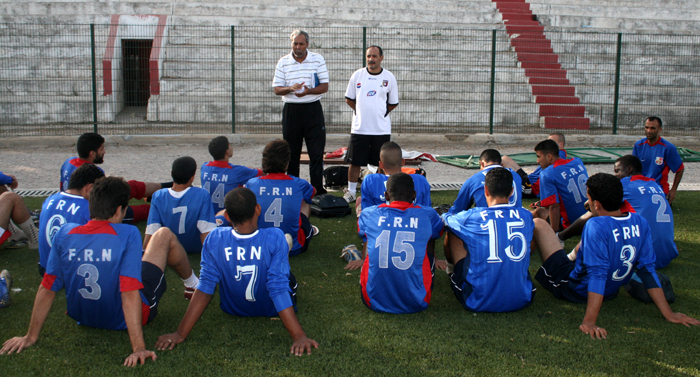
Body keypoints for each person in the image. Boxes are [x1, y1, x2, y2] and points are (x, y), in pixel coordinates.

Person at [0, 177, 200, 366]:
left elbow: (47, 287)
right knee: (164, 235)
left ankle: (189, 283)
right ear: (119, 210)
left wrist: (30, 336)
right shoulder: (128, 233)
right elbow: (129, 293)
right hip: (125, 317)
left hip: (83, 316)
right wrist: (138, 347)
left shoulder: (65, 233)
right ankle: (193, 284)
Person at [532, 173, 700, 339]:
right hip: (610, 291)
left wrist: (589, 321)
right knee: (590, 244)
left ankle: (518, 277)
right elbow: (647, 270)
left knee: (538, 224)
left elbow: (597, 275)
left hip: (575, 289)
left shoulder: (595, 224)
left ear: (596, 204)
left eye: (588, 198)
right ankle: (570, 257)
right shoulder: (639, 221)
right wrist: (668, 313)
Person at [154, 187, 318, 356]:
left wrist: (180, 333)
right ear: (258, 209)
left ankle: (280, 251)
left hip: (233, 308)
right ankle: (284, 247)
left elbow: (205, 288)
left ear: (227, 216)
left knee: (224, 272)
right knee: (284, 276)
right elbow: (278, 288)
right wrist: (298, 335)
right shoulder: (274, 236)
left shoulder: (214, 238)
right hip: (271, 308)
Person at [345, 173, 442, 314]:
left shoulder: (370, 213)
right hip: (418, 302)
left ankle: (361, 257)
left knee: (369, 234)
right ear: (414, 195)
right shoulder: (428, 214)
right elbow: (437, 232)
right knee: (429, 237)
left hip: (372, 300)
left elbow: (363, 233)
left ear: (386, 195)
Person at [443, 167, 535, 312]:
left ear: (486, 190)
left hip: (478, 301)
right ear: (512, 191)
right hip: (522, 299)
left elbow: (447, 219)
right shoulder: (525, 215)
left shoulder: (471, 216)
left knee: (454, 231)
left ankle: (452, 270)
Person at [59, 132, 171, 223]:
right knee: (145, 210)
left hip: (82, 204)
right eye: (102, 148)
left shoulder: (69, 162)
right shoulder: (94, 173)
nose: (104, 151)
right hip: (98, 212)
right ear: (92, 153)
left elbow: (61, 187)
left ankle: (164, 188)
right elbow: (107, 200)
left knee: (130, 186)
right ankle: (169, 193)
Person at [272, 30, 329, 195]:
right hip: (291, 111)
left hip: (313, 109)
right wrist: (290, 88)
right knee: (292, 154)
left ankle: (317, 191)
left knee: (316, 154)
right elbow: (277, 89)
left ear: (307, 44)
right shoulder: (283, 62)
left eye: (301, 44)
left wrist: (308, 91)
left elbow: (324, 86)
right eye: (295, 43)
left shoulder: (317, 59)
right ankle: (293, 190)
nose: (298, 47)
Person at [343, 45, 399, 204]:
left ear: (381, 58)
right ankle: (352, 192)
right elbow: (349, 99)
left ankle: (380, 192)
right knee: (354, 162)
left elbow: (393, 103)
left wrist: (380, 113)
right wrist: (361, 112)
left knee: (381, 163)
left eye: (374, 56)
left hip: (381, 129)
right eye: (368, 56)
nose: (371, 59)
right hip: (360, 128)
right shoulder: (357, 75)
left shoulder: (389, 77)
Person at [246, 140, 317, 257]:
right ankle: (304, 228)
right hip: (294, 246)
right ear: (286, 163)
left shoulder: (252, 183)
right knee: (305, 199)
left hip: (260, 246)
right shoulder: (299, 184)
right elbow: (313, 191)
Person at [38, 164, 105, 276]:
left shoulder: (49, 199)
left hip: (45, 269)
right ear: (89, 188)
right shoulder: (88, 208)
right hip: (72, 274)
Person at [145, 156, 217, 254]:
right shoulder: (202, 194)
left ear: (171, 174)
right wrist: (212, 255)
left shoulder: (158, 196)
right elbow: (206, 229)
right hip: (195, 248)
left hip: (169, 248)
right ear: (192, 177)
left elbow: (152, 229)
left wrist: (144, 251)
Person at [358, 141, 431, 216]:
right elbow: (427, 212)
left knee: (359, 201)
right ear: (403, 162)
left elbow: (367, 214)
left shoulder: (370, 180)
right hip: (415, 224)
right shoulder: (421, 180)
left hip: (381, 225)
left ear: (381, 164)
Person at [535, 139, 588, 232]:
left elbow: (554, 206)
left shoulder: (547, 173)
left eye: (539, 157)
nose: (537, 161)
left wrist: (554, 232)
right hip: (589, 216)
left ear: (549, 156)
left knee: (540, 211)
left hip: (572, 224)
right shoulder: (577, 161)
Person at [449, 149, 522, 215]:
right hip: (516, 220)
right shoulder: (516, 176)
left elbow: (457, 210)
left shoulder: (474, 179)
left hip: (486, 222)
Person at [201, 136, 262, 213]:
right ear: (226, 152)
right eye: (230, 145)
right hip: (228, 216)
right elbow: (260, 172)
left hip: (208, 213)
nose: (232, 147)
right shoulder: (236, 171)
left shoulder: (204, 167)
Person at [632, 116, 684, 204]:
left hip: (659, 188)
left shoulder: (668, 148)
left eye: (652, 128)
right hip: (641, 187)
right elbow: (632, 168)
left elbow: (680, 169)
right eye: (647, 127)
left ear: (660, 129)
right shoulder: (638, 145)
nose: (649, 131)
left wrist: (673, 190)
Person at [502, 132, 566, 198]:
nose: (537, 161)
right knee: (504, 159)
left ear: (561, 144)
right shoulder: (556, 156)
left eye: (552, 142)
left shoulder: (556, 156)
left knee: (502, 165)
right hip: (529, 178)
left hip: (530, 186)